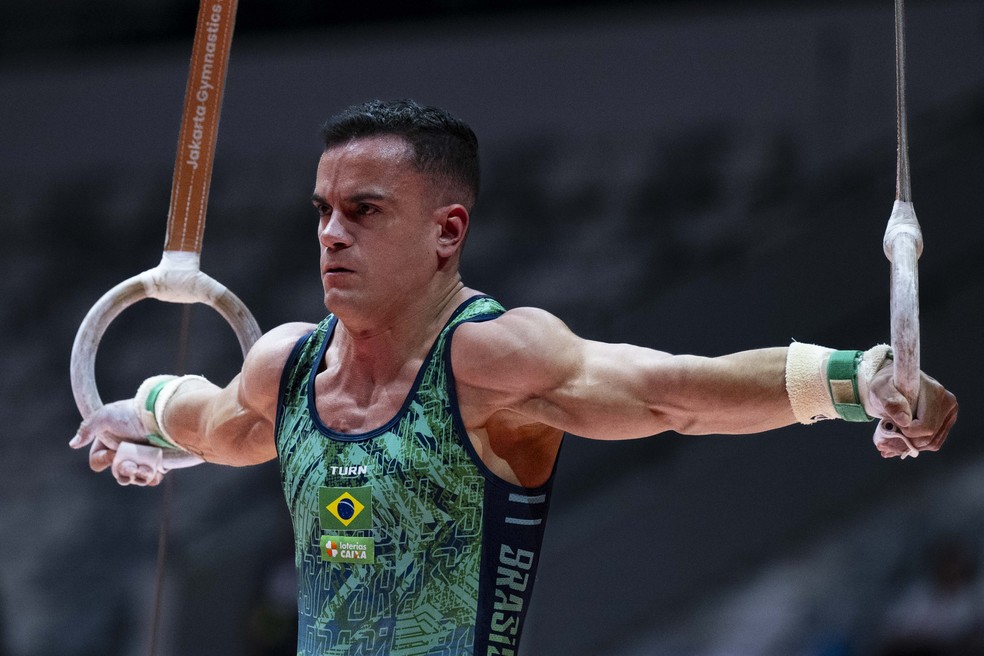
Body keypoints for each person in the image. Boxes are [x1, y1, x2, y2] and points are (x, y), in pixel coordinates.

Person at [70, 99, 958, 655]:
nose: (331, 235)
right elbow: (218, 421)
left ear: (447, 232)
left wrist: (864, 377)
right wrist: (136, 413)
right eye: (324, 212)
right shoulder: (288, 363)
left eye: (364, 211)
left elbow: (675, 392)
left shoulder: (491, 359)